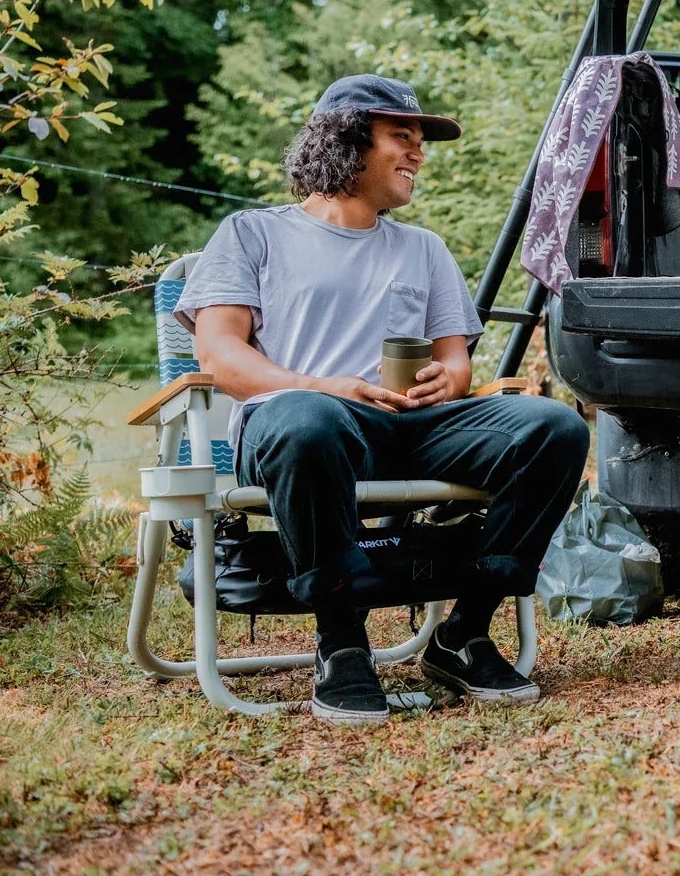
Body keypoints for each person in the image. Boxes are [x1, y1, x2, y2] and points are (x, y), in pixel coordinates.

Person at [178, 74, 589, 725]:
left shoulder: (423, 248)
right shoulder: (253, 234)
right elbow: (220, 357)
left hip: (410, 427)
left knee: (552, 427)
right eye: (403, 136)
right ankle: (341, 646)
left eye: (420, 140)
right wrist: (324, 386)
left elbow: (455, 357)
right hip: (296, 429)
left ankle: (465, 633)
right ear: (347, 140)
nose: (418, 153)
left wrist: (448, 380)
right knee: (309, 420)